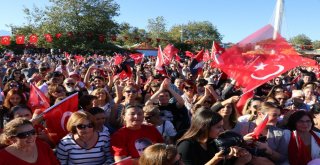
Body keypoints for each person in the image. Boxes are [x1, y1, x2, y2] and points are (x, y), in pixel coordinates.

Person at [177, 109, 252, 165]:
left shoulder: (211, 141)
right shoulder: (186, 145)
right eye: (218, 127)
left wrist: (228, 156)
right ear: (205, 127)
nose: (222, 130)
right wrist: (214, 160)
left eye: (222, 126)